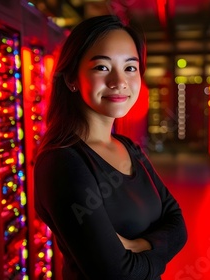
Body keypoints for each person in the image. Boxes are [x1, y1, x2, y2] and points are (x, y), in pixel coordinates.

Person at [34, 15, 188, 279]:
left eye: (130, 68)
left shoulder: (128, 147)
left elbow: (178, 225)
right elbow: (117, 274)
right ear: (71, 78)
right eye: (102, 68)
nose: (119, 81)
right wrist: (159, 252)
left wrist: (140, 246)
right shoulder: (63, 163)